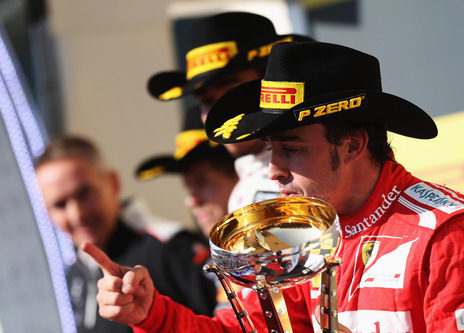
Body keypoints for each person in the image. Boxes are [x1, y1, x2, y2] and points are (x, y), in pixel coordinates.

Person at [84, 42, 464, 332]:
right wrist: (153, 314)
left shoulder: (448, 236)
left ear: (353, 143)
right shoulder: (302, 237)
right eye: (269, 149)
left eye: (292, 150)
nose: (274, 171)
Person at [35, 135, 217, 333]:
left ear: (113, 183)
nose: (77, 214)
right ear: (47, 212)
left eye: (84, 194)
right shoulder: (72, 275)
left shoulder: (172, 247)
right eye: (60, 204)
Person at [147, 11, 313, 211]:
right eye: (206, 101)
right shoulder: (242, 190)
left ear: (272, 83)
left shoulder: (316, 175)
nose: (220, 111)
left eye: (231, 92)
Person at [135, 106, 239, 309]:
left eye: (202, 182)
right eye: (188, 187)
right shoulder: (209, 262)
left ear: (239, 175)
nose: (191, 201)